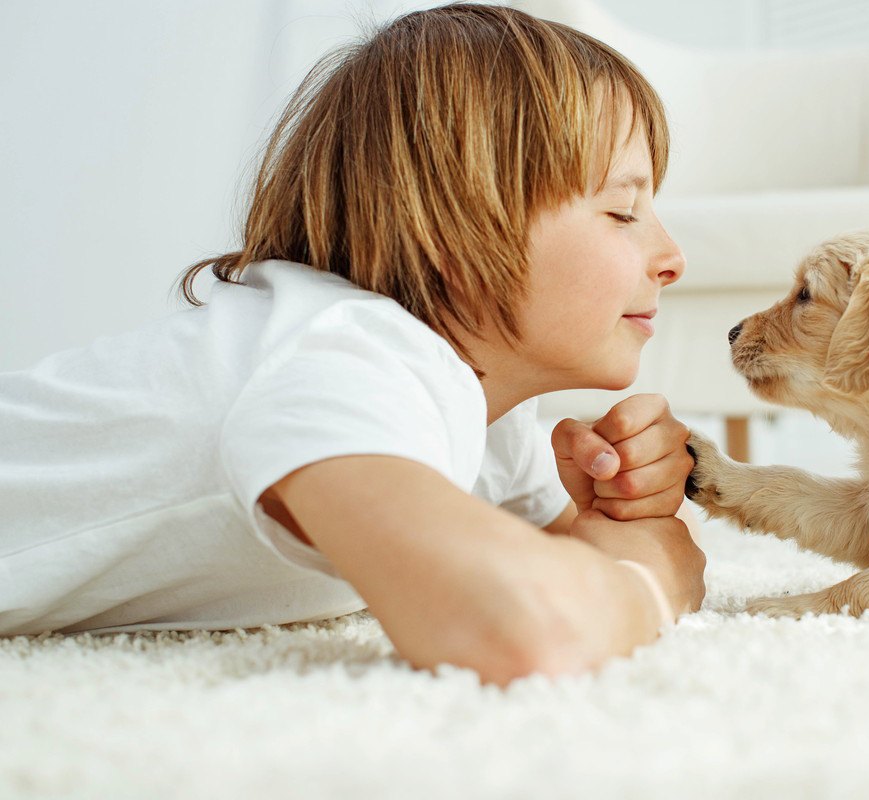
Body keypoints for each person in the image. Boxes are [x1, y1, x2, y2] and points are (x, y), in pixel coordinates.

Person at [0, 4, 706, 684]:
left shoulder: (483, 413)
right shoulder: (350, 360)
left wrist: (614, 509)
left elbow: (554, 563)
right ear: (452, 236)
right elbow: (525, 624)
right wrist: (652, 580)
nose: (672, 257)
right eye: (622, 210)